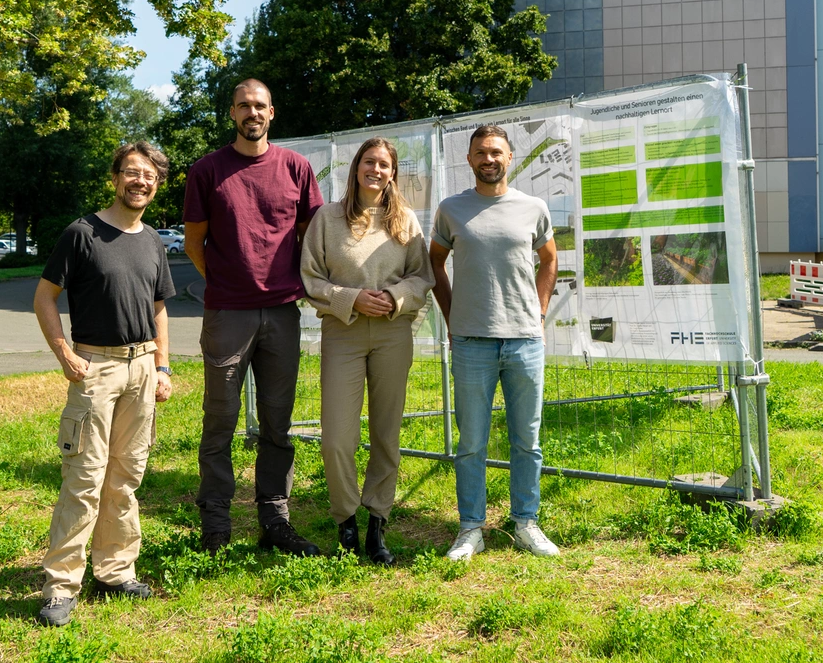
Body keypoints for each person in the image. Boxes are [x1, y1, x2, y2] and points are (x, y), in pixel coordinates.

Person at [33, 141, 176, 627]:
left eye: (150, 176)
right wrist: (64, 352)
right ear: (115, 178)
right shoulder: (82, 233)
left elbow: (158, 308)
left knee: (126, 478)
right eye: (132, 173)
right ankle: (60, 587)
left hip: (142, 369)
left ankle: (114, 571)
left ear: (156, 185)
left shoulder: (153, 239)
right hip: (98, 369)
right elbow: (44, 297)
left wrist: (162, 366)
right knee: (85, 479)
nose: (141, 181)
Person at [183, 79, 324, 556]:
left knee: (278, 422)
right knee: (219, 419)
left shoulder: (296, 168)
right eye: (243, 105)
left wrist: (284, 286)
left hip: (282, 312)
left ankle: (275, 520)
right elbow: (193, 243)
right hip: (227, 313)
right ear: (232, 114)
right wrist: (228, 282)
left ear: (272, 112)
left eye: (259, 105)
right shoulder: (207, 171)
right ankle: (216, 523)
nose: (252, 112)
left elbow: (310, 237)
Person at [300, 137, 435, 565]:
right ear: (356, 167)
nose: (376, 169)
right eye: (368, 161)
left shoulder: (405, 221)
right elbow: (310, 279)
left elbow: (421, 277)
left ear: (393, 172)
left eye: (384, 164)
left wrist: (395, 297)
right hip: (345, 332)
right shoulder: (327, 219)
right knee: (338, 437)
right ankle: (346, 519)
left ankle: (377, 520)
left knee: (385, 433)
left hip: (394, 334)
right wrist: (351, 298)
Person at [429, 124, 560, 561]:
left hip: (524, 340)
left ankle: (526, 523)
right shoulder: (451, 210)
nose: (489, 159)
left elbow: (550, 260)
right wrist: (452, 317)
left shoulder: (533, 207)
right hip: (471, 343)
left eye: (497, 152)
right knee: (471, 443)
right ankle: (471, 529)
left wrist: (539, 314)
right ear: (469, 159)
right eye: (481, 152)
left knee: (527, 440)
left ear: (510, 158)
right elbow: (435, 264)